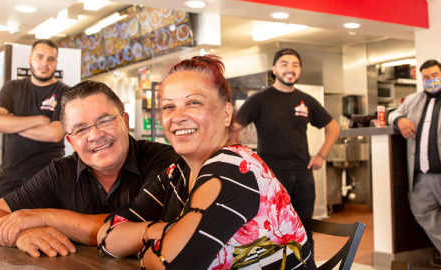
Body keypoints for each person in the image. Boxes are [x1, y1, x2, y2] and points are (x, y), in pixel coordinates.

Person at [97, 55, 317, 269]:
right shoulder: (179, 171)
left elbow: (168, 264)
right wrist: (156, 231)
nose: (178, 116)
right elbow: (107, 234)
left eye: (193, 103)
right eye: (168, 106)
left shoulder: (233, 168)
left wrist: (143, 246)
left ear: (226, 114)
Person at [0, 80, 179, 258]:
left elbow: (126, 229)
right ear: (71, 141)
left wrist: (47, 217)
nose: (95, 135)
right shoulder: (60, 172)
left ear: (124, 121)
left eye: (105, 120)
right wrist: (19, 235)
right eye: (81, 129)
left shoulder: (165, 160)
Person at [235, 48, 340, 252]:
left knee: (305, 231)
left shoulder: (306, 100)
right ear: (274, 69)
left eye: (295, 65)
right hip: (272, 177)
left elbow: (333, 127)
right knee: (274, 230)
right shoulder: (259, 99)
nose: (290, 69)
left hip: (303, 175)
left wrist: (321, 155)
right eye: (284, 64)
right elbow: (233, 129)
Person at [0, 39, 70, 201]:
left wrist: (11, 124)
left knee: (38, 225)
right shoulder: (12, 88)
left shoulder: (66, 93)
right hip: (11, 175)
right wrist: (40, 119)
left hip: (47, 176)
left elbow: (55, 133)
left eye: (50, 59)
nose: (44, 63)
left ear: (56, 63)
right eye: (39, 57)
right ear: (30, 59)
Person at [388, 59, 441, 260]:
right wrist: (400, 119)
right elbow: (392, 113)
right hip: (422, 176)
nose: (430, 81)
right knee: (421, 209)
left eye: (434, 76)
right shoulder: (414, 100)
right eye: (426, 78)